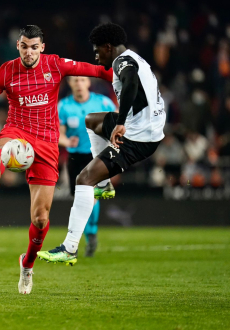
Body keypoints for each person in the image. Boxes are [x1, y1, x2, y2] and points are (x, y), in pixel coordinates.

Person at [0, 25, 112, 294]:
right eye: (23, 46)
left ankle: (27, 264)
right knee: (5, 147)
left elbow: (99, 70)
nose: (28, 52)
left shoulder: (56, 64)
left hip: (47, 145)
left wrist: (129, 70)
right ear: (17, 45)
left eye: (33, 47)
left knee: (41, 220)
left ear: (42, 47)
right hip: (16, 131)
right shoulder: (6, 70)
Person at [38, 22, 166, 265]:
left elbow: (130, 83)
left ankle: (69, 247)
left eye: (98, 50)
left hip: (138, 137)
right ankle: (105, 185)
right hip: (148, 130)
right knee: (92, 121)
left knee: (83, 179)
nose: (96, 56)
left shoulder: (121, 62)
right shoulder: (135, 58)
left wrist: (120, 121)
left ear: (109, 47)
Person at [58, 76, 116, 257]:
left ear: (88, 83)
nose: (79, 83)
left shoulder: (103, 102)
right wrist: (67, 140)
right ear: (70, 84)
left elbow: (119, 125)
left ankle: (89, 233)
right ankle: (90, 234)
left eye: (82, 80)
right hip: (75, 157)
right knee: (80, 200)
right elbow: (58, 134)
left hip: (97, 156)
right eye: (75, 80)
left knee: (91, 197)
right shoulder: (63, 106)